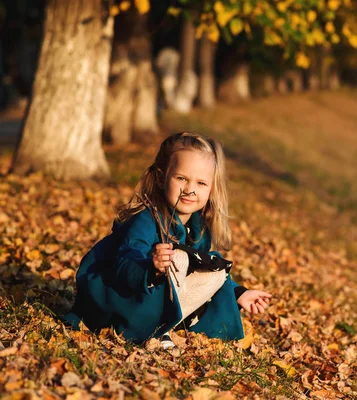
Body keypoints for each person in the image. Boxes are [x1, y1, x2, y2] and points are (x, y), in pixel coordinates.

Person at [64, 132, 271, 346]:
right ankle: (150, 329)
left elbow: (199, 273)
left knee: (212, 264)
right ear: (162, 179)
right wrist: (150, 267)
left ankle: (164, 324)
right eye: (181, 178)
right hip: (115, 297)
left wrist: (239, 293)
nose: (190, 190)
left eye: (201, 183)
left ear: (212, 189)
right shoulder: (146, 219)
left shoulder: (199, 228)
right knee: (177, 258)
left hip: (151, 298)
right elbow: (124, 263)